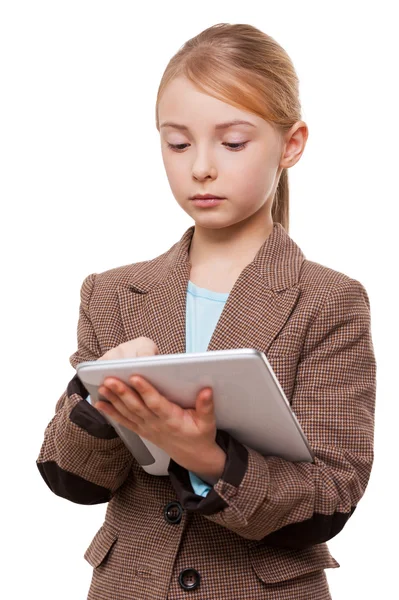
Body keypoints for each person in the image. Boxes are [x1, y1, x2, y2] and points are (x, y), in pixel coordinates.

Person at [36, 22, 376, 600]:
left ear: (291, 144)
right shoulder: (113, 294)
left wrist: (209, 457)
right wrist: (94, 401)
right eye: (178, 142)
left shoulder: (329, 302)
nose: (200, 167)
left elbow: (332, 496)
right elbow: (71, 479)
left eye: (233, 143)